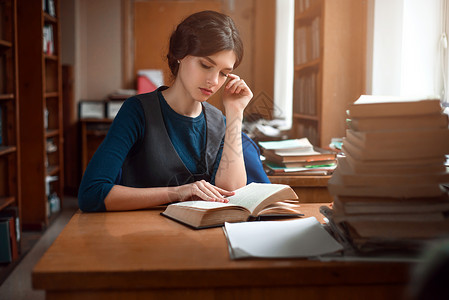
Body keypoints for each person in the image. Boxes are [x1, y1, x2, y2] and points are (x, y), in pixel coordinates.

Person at [78, 10, 269, 212]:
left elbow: (231, 194)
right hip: (140, 236)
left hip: (203, 239)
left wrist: (235, 113)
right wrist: (177, 193)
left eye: (224, 73)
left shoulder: (218, 121)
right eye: (205, 65)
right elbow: (92, 193)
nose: (214, 82)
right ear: (179, 54)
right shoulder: (138, 111)